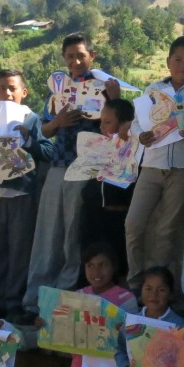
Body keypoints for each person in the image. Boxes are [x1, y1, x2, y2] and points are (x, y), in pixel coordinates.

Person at [21, 33, 121, 315]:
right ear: (63, 59)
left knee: (72, 236)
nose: (75, 61)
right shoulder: (59, 87)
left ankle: (63, 300)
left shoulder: (104, 87)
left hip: (87, 169)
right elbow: (44, 130)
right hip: (58, 165)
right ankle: (35, 300)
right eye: (69, 57)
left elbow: (118, 125)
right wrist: (59, 121)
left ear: (92, 55)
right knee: (47, 233)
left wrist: (114, 100)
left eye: (80, 55)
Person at [126, 36, 184, 286]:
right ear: (168, 62)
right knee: (133, 223)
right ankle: (136, 282)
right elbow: (137, 123)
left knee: (166, 230)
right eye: (179, 60)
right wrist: (141, 135)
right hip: (151, 165)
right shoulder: (154, 89)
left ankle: (157, 291)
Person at [0, 69, 53, 322]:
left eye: (13, 88)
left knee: (19, 251)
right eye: (3, 88)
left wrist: (29, 139)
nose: (8, 93)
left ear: (24, 92)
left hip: (22, 193)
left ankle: (14, 301)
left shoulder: (31, 119)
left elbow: (48, 150)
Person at [80, 98, 136, 289]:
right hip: (93, 215)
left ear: (124, 124)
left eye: (107, 122)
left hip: (117, 217)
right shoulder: (99, 144)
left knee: (117, 267)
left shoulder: (136, 148)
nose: (102, 126)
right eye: (101, 121)